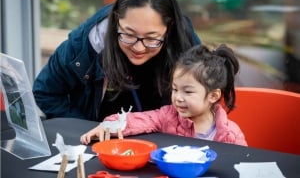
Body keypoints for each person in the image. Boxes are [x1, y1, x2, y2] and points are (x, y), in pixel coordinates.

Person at [33, 0, 201, 121]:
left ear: (169, 28)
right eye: (128, 34)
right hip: (100, 141)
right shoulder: (87, 43)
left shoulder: (184, 41)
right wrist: (86, 130)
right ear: (115, 20)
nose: (138, 48)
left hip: (164, 140)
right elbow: (45, 92)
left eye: (151, 38)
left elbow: (204, 97)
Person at [80, 44, 247, 146]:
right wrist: (107, 126)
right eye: (175, 89)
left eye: (188, 91)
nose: (178, 97)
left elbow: (242, 164)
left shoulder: (230, 134)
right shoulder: (168, 116)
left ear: (213, 96)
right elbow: (138, 120)